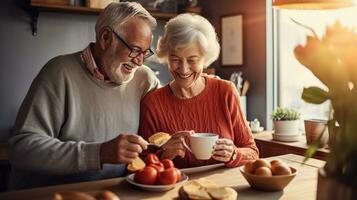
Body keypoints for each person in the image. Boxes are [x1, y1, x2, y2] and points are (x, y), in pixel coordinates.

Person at [8, 2, 160, 190]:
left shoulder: (145, 79)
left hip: (112, 193)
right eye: (135, 50)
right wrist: (99, 153)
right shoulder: (58, 72)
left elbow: (161, 133)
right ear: (105, 38)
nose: (139, 61)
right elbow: (22, 149)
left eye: (145, 53)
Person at [139, 13, 259, 168]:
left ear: (205, 59)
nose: (183, 69)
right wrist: (163, 155)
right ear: (166, 57)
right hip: (176, 189)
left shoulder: (225, 91)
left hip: (224, 188)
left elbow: (252, 151)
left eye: (192, 60)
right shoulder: (153, 103)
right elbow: (141, 162)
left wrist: (234, 154)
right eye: (175, 59)